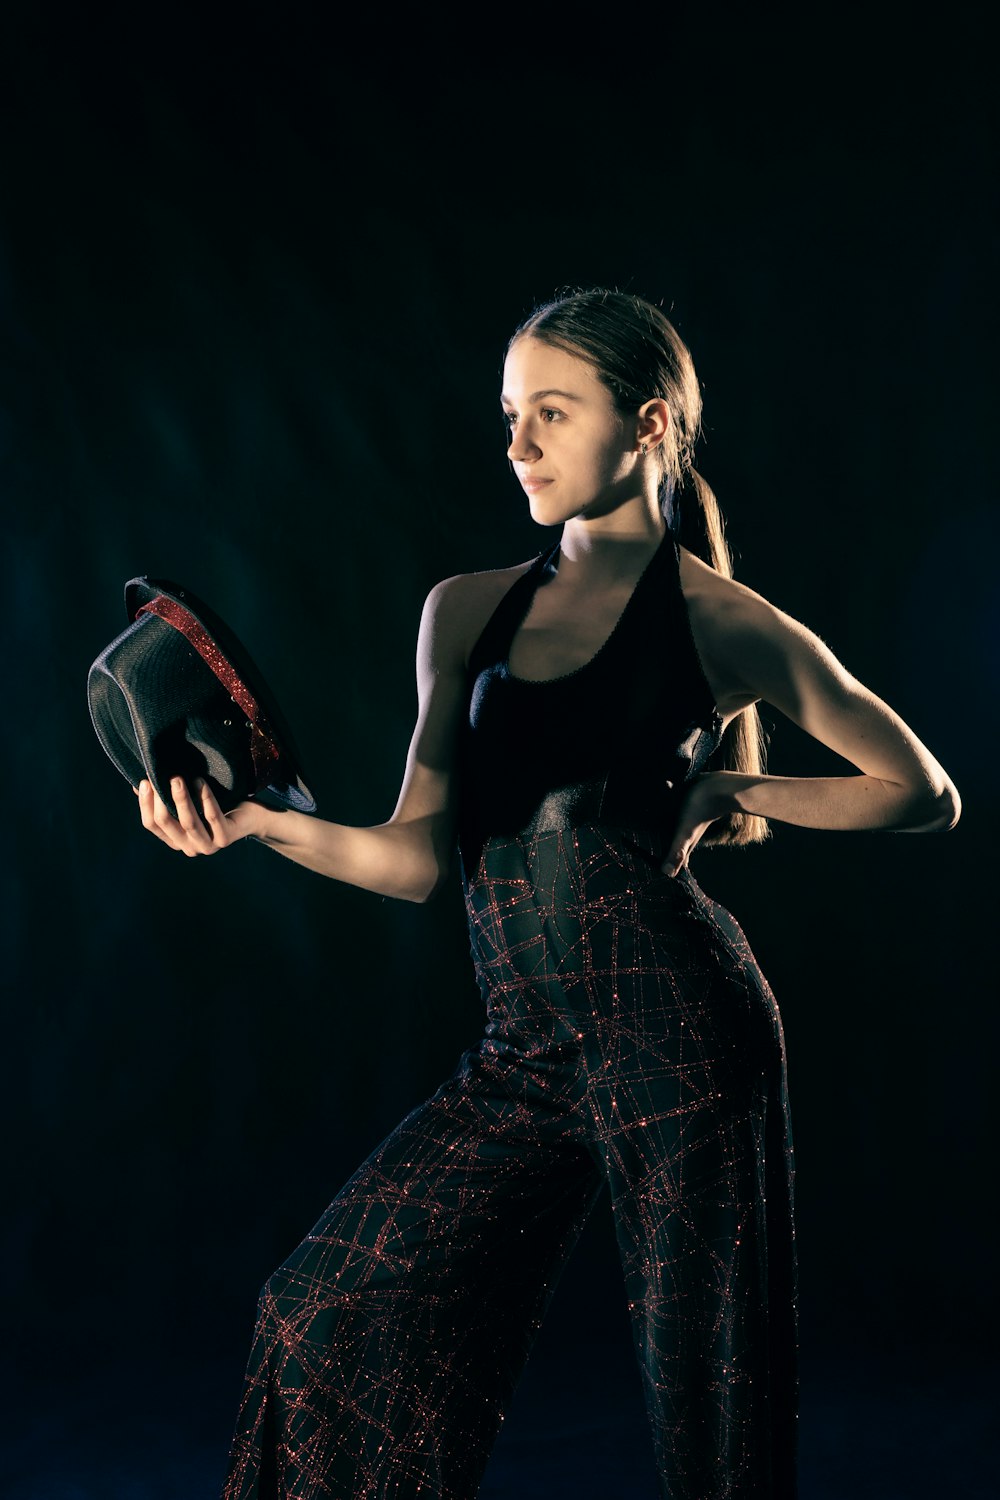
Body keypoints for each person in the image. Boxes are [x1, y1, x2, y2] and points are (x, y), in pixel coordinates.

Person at [135, 288, 961, 1500]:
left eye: (551, 414)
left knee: (712, 1406)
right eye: (511, 414)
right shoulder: (465, 609)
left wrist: (739, 783)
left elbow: (922, 790)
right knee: (322, 1307)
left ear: (650, 424)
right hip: (526, 1051)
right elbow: (415, 856)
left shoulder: (723, 622)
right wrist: (259, 825)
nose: (514, 443)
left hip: (682, 1037)